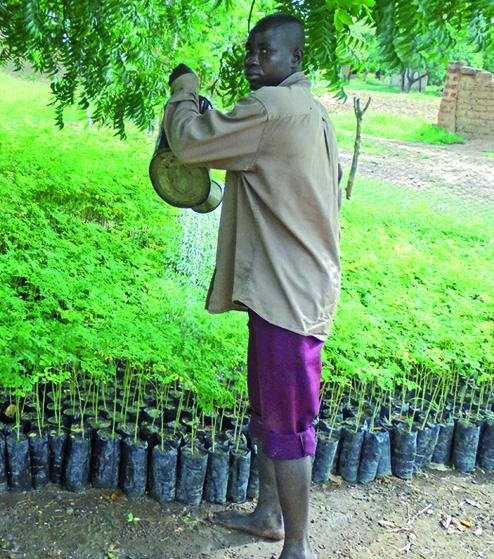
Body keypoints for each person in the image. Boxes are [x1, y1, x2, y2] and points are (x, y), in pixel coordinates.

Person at [162, 13, 342, 559]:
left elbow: (191, 143)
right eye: (249, 52)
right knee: (268, 411)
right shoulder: (308, 110)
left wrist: (183, 90)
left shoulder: (271, 110)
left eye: (265, 52)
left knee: (286, 422)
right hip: (288, 288)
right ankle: (268, 517)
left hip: (287, 297)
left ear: (294, 61)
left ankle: (299, 548)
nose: (252, 61)